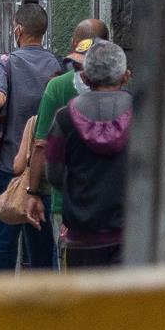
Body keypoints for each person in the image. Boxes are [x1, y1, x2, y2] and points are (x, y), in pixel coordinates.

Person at [0, 2, 66, 271]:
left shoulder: (5, 63)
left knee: (6, 243)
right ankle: (47, 303)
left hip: (10, 166)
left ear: (18, 30)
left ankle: (5, 303)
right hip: (45, 170)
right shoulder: (56, 65)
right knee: (43, 243)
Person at [44, 39, 133, 268]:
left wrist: (78, 190)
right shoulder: (143, 115)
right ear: (125, 76)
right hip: (130, 236)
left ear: (85, 78)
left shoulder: (64, 118)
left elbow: (53, 173)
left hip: (81, 237)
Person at [23, 19, 109, 226]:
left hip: (68, 201)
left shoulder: (58, 87)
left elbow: (41, 145)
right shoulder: (122, 85)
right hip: (112, 201)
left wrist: (33, 192)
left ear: (74, 44)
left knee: (69, 257)